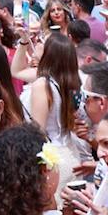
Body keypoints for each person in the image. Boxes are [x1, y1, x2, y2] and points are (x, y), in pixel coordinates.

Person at [23, 33, 85, 162]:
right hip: (68, 152)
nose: (38, 44)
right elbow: (16, 71)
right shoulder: (66, 82)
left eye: (42, 42)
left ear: (48, 53)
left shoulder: (43, 85)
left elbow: (38, 131)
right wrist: (23, 42)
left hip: (51, 158)